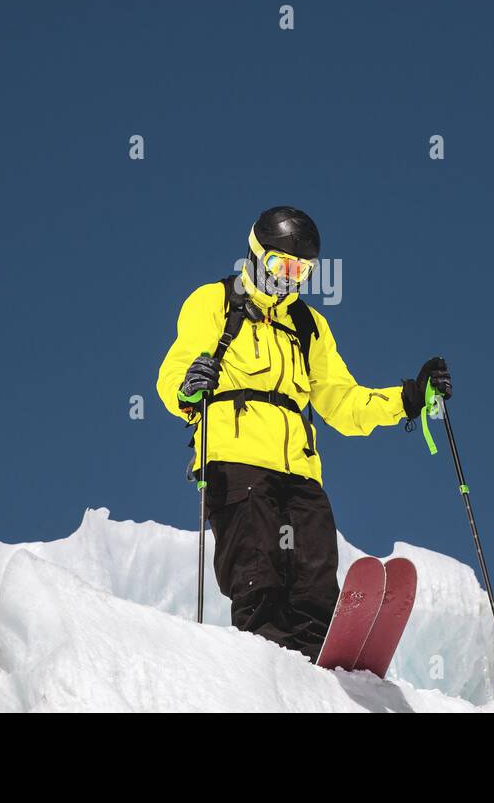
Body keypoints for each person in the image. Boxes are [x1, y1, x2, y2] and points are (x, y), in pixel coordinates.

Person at [156, 205, 452, 662]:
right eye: (281, 265)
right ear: (256, 256)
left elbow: (343, 402)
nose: (290, 278)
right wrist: (187, 386)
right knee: (260, 577)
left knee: (315, 578)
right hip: (236, 465)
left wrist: (407, 398)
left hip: (300, 471)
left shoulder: (308, 326)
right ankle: (268, 671)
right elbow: (177, 367)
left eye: (302, 270)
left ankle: (318, 675)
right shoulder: (214, 301)